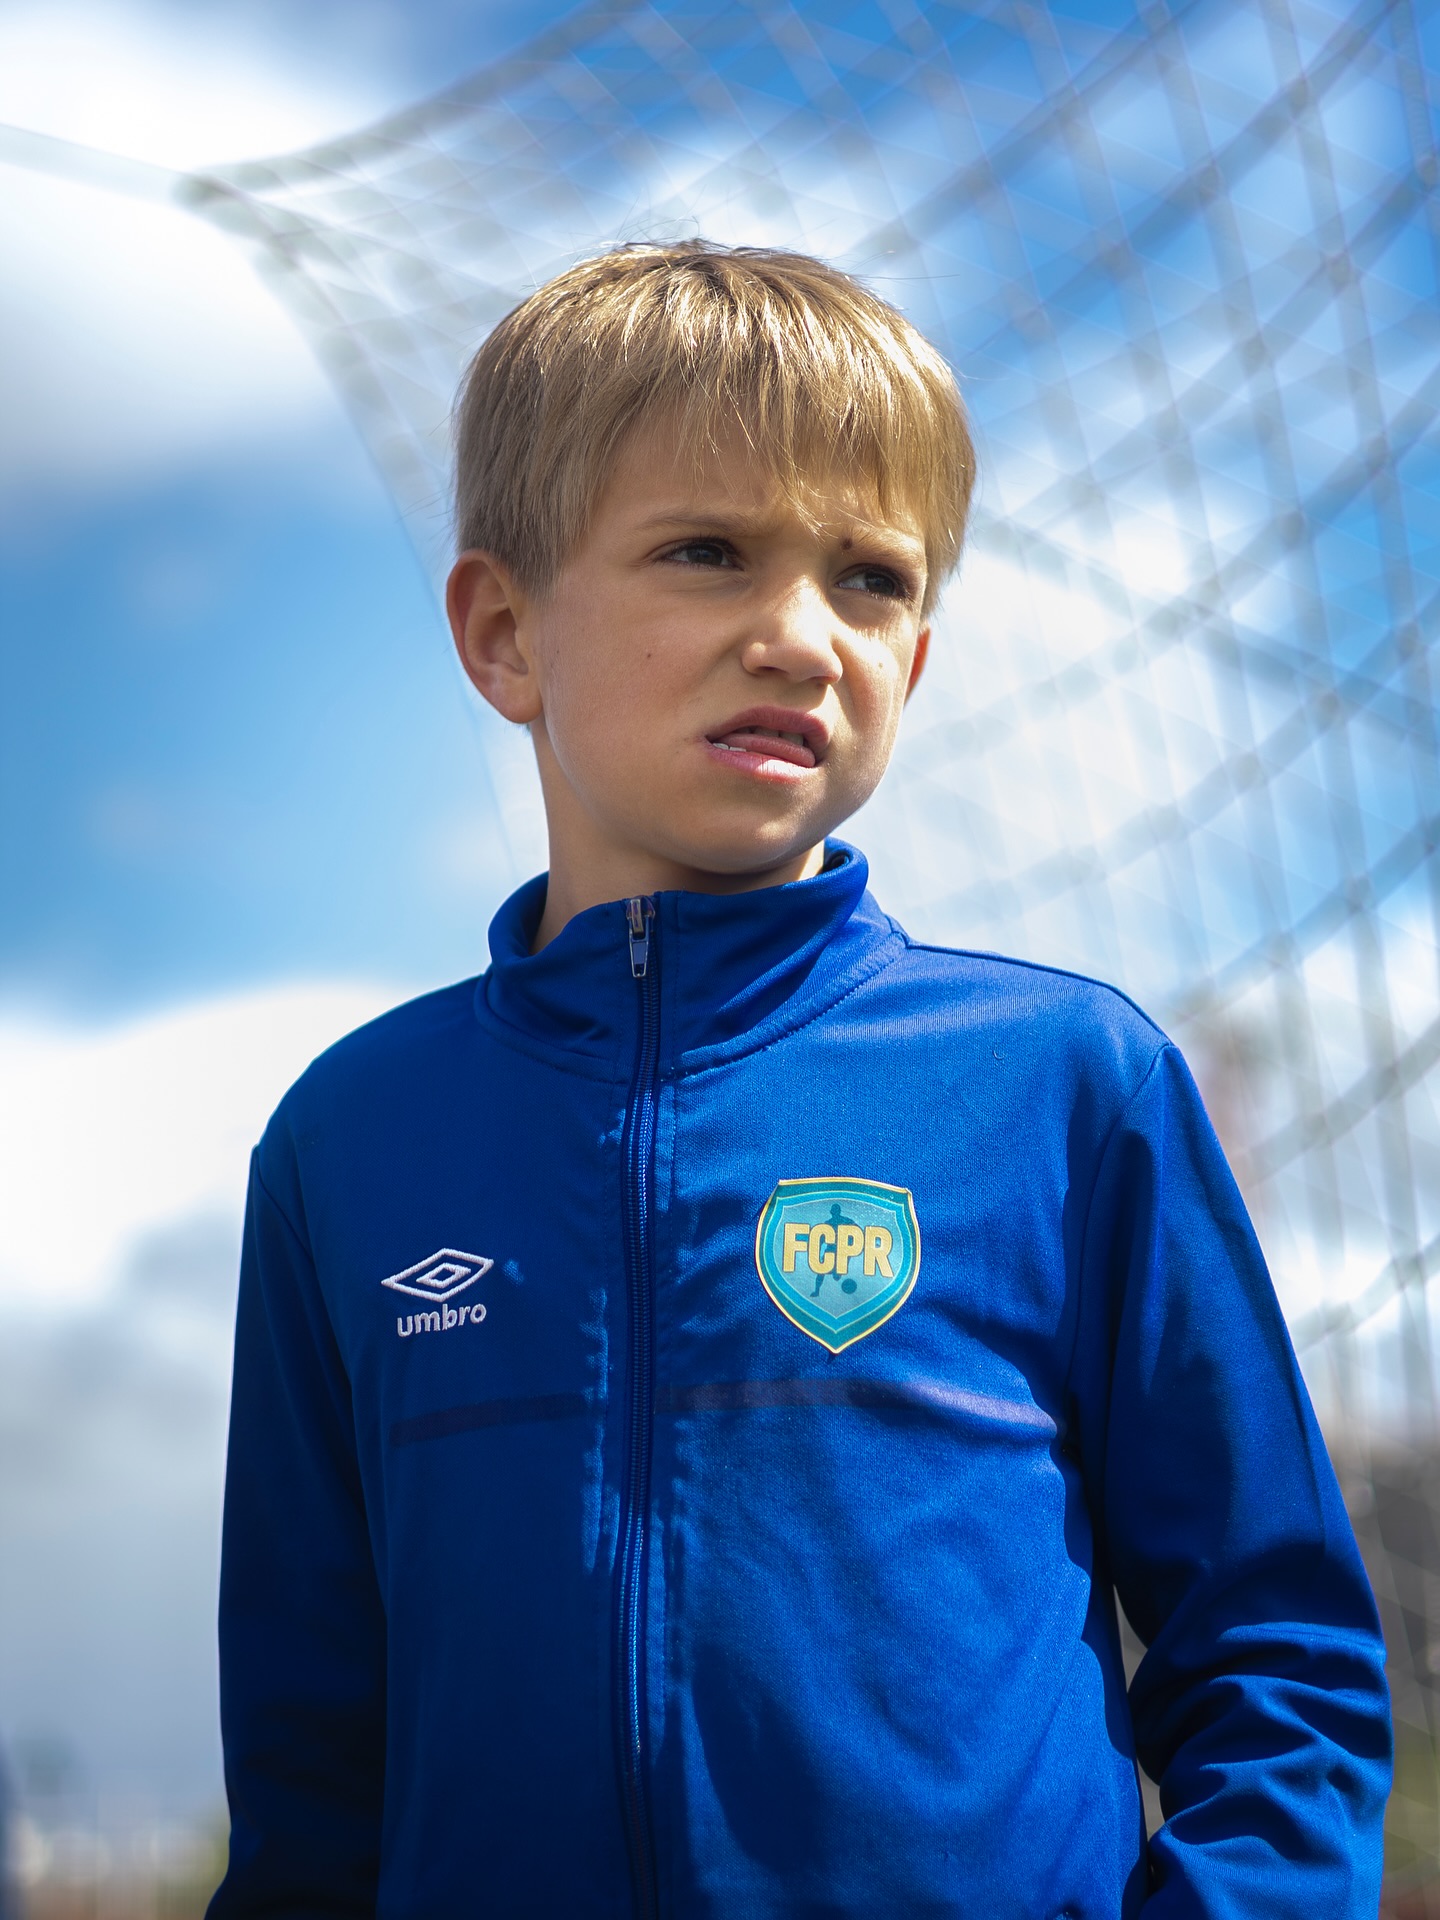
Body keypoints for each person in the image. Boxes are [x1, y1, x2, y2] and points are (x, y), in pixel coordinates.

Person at [207, 241, 1391, 1919]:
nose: (799, 635)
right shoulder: (351, 1140)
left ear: (914, 660)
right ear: (502, 631)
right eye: (707, 552)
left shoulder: (1065, 1084)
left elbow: (1276, 1660)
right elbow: (311, 1756)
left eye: (872, 580)